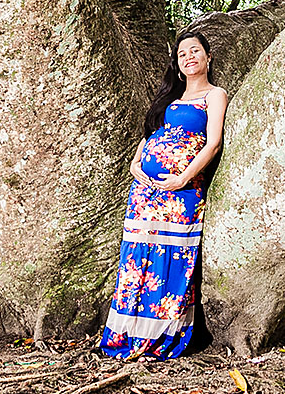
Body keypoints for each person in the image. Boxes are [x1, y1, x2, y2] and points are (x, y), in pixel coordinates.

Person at [100, 30, 227, 360]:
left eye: (194, 51)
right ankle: (127, 333)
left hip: (181, 193)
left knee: (171, 259)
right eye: (182, 53)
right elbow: (151, 134)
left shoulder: (215, 95)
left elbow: (213, 143)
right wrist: (134, 163)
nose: (188, 57)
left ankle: (161, 334)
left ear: (208, 57)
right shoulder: (169, 98)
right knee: (137, 260)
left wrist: (183, 178)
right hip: (145, 193)